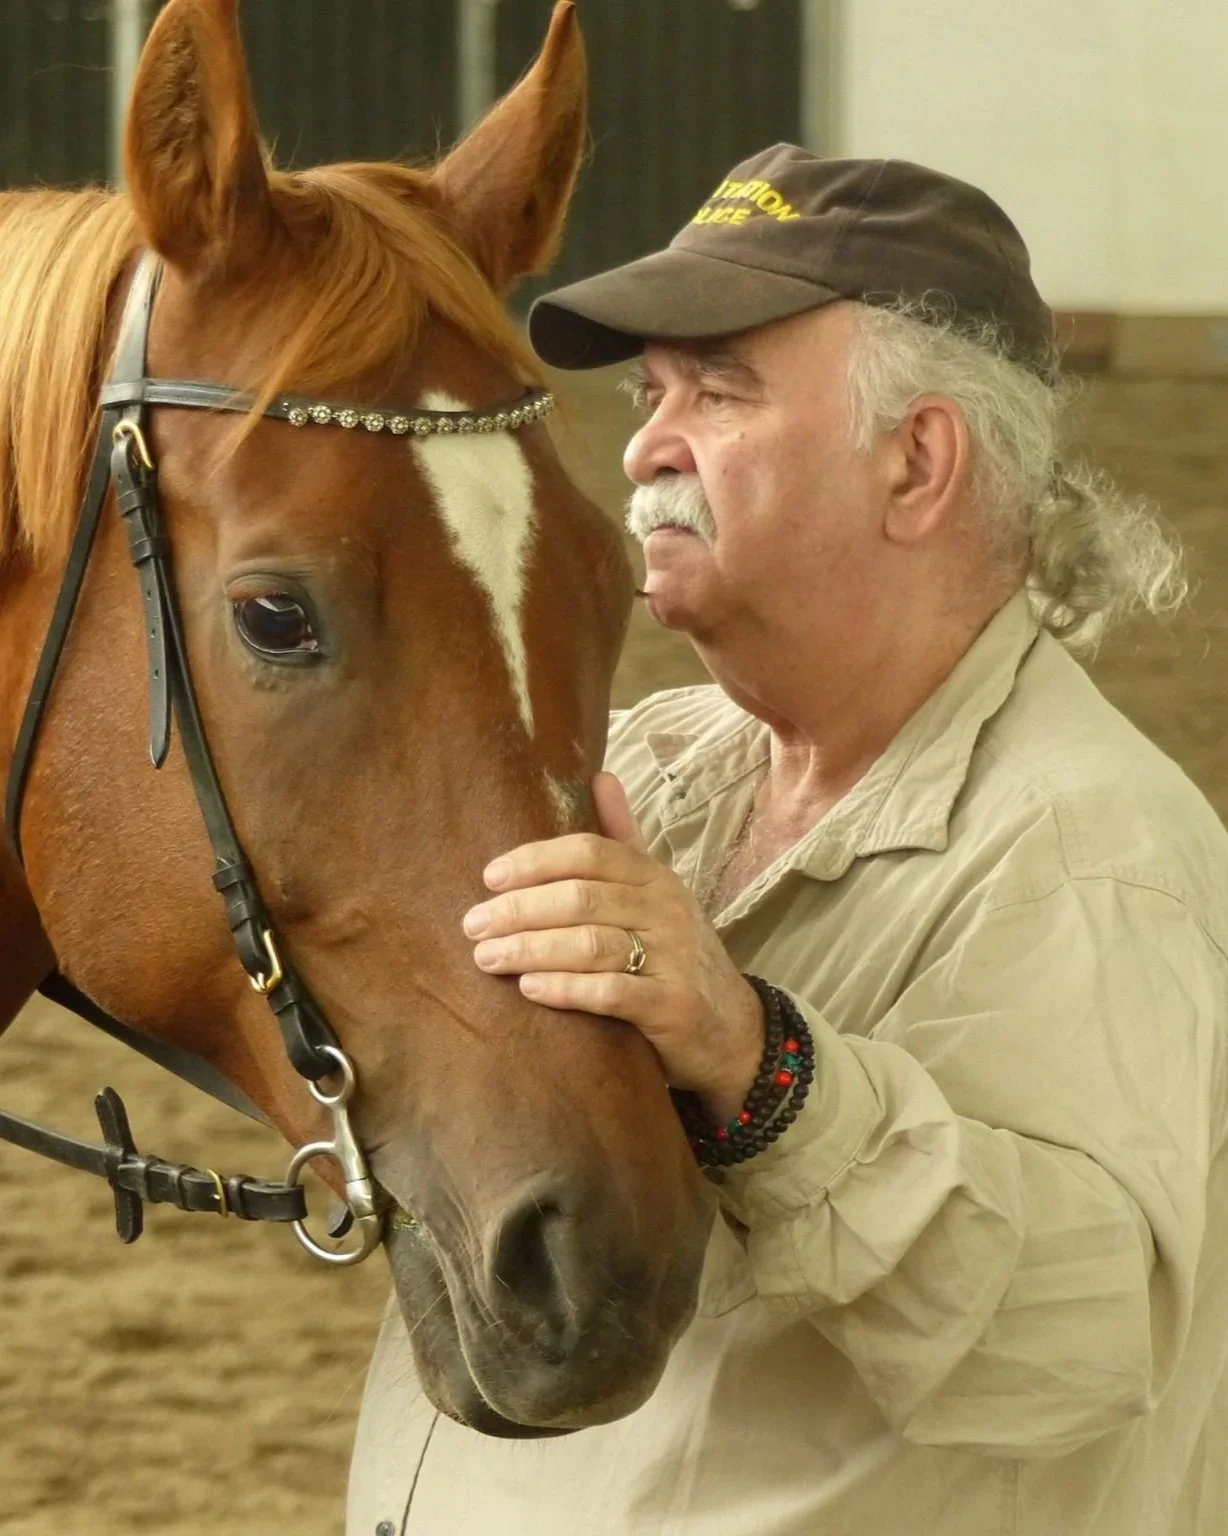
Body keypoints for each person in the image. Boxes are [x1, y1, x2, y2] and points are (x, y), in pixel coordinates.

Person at [347, 146, 1228, 1535]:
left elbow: (1086, 1341)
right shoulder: (647, 759)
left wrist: (760, 1065)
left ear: (918, 461)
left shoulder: (1084, 847)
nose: (644, 444)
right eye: (651, 393)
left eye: (720, 390)